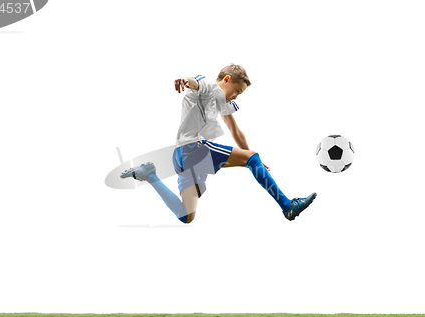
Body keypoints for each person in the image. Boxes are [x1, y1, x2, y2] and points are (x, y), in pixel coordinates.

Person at [121, 64, 316, 223]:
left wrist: (254, 160)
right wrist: (185, 81)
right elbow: (196, 84)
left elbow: (235, 130)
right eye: (237, 91)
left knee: (186, 215)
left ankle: (149, 175)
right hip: (194, 148)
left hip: (183, 157)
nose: (236, 96)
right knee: (251, 158)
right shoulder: (209, 88)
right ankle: (287, 206)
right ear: (227, 80)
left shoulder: (221, 102)